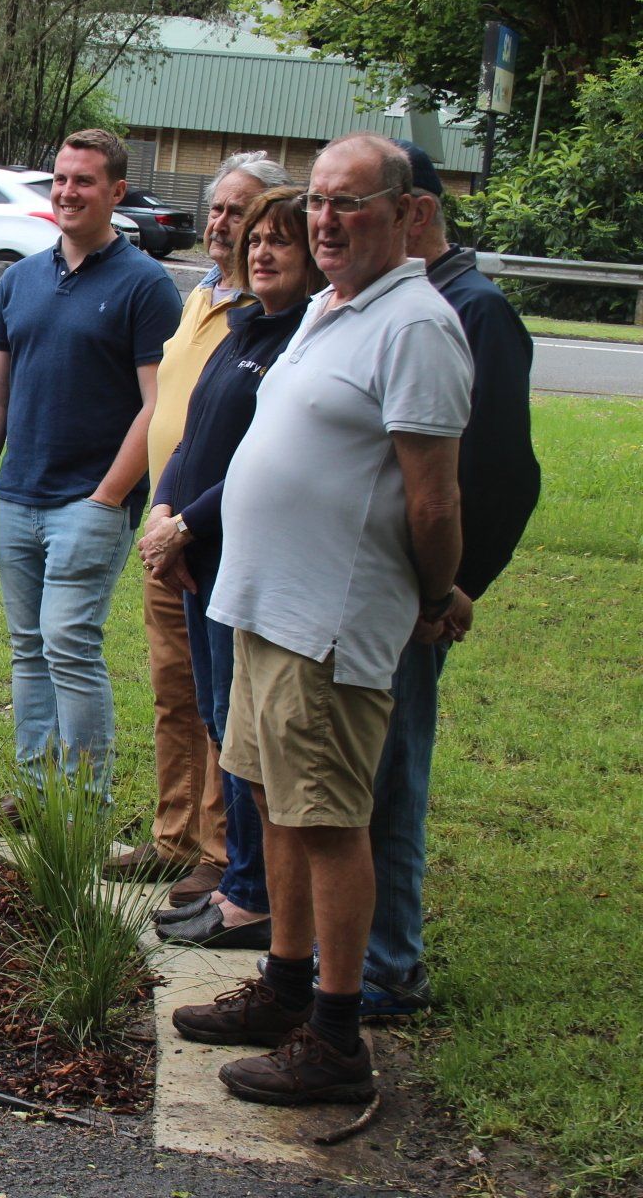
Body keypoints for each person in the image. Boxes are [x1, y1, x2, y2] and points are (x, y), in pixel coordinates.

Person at [169, 134, 471, 1107]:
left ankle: (336, 1037)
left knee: (330, 822)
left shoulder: (416, 324)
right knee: (271, 802)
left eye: (352, 203)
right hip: (264, 607)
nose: (329, 221)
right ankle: (286, 985)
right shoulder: (335, 308)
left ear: (408, 213)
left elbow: (432, 499)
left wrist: (433, 592)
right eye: (322, 204)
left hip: (328, 619)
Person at [355, 141, 540, 1015]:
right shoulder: (388, 304)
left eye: (359, 204)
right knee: (352, 778)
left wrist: (451, 590)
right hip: (359, 591)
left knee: (393, 777)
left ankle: (391, 965)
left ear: (415, 213)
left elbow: (499, 472)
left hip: (415, 601)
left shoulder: (471, 310)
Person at [0, 129, 181, 810]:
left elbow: (158, 406)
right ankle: (36, 794)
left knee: (68, 645)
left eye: (84, 181)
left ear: (115, 193)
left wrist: (107, 498)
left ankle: (84, 803)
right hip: (19, 497)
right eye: (59, 179)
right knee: (28, 649)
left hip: (90, 503)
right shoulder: (21, 280)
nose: (67, 192)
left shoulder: (147, 286)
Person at [138, 186, 324, 951]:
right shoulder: (242, 325)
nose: (263, 252)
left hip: (240, 559)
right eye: (255, 240)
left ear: (313, 256)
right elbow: (193, 435)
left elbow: (258, 457)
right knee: (217, 719)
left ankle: (250, 893)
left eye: (282, 240)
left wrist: (187, 523)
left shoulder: (303, 341)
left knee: (241, 735)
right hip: (197, 559)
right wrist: (162, 509)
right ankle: (239, 883)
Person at [107, 152, 291, 895]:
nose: (223, 225)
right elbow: (177, 419)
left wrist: (187, 522)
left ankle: (221, 851)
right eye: (216, 209)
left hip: (218, 536)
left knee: (224, 700)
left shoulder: (276, 318)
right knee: (174, 690)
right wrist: (158, 512)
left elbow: (254, 442)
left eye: (240, 212)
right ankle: (174, 834)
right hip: (167, 528)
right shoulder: (202, 295)